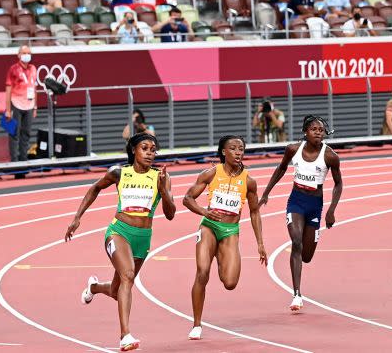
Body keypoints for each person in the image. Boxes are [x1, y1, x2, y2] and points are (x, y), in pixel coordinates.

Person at [65, 133, 176, 352]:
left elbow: (171, 214)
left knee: (118, 290)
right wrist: (77, 217)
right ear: (134, 150)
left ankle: (95, 287)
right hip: (119, 232)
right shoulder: (119, 173)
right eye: (145, 148)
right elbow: (95, 188)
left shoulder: (161, 177)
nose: (150, 153)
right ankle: (125, 336)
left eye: (153, 150)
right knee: (127, 276)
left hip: (142, 239)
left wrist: (163, 190)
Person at [182, 136, 267, 340]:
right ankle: (196, 324)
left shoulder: (249, 181)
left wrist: (260, 243)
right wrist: (204, 212)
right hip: (209, 227)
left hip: (230, 231)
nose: (238, 152)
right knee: (202, 272)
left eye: (241, 149)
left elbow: (254, 212)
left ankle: (221, 255)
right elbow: (187, 198)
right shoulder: (211, 173)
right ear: (223, 152)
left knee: (230, 282)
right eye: (233, 148)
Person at [258, 116, 343, 311]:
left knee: (306, 256)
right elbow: (280, 169)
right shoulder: (293, 149)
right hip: (296, 201)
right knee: (296, 241)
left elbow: (339, 183)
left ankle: (299, 279)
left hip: (315, 204)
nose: (318, 133)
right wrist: (266, 193)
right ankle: (297, 294)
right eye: (314, 129)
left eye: (321, 130)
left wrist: (331, 210)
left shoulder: (330, 156)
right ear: (305, 131)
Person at [4, 45, 37, 162]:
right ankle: (14, 162)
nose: (27, 55)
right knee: (14, 134)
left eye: (29, 53)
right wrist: (7, 110)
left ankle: (23, 161)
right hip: (15, 104)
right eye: (24, 53)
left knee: (26, 134)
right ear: (19, 55)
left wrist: (35, 106)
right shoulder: (13, 69)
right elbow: (8, 90)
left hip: (29, 106)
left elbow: (34, 88)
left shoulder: (33, 68)